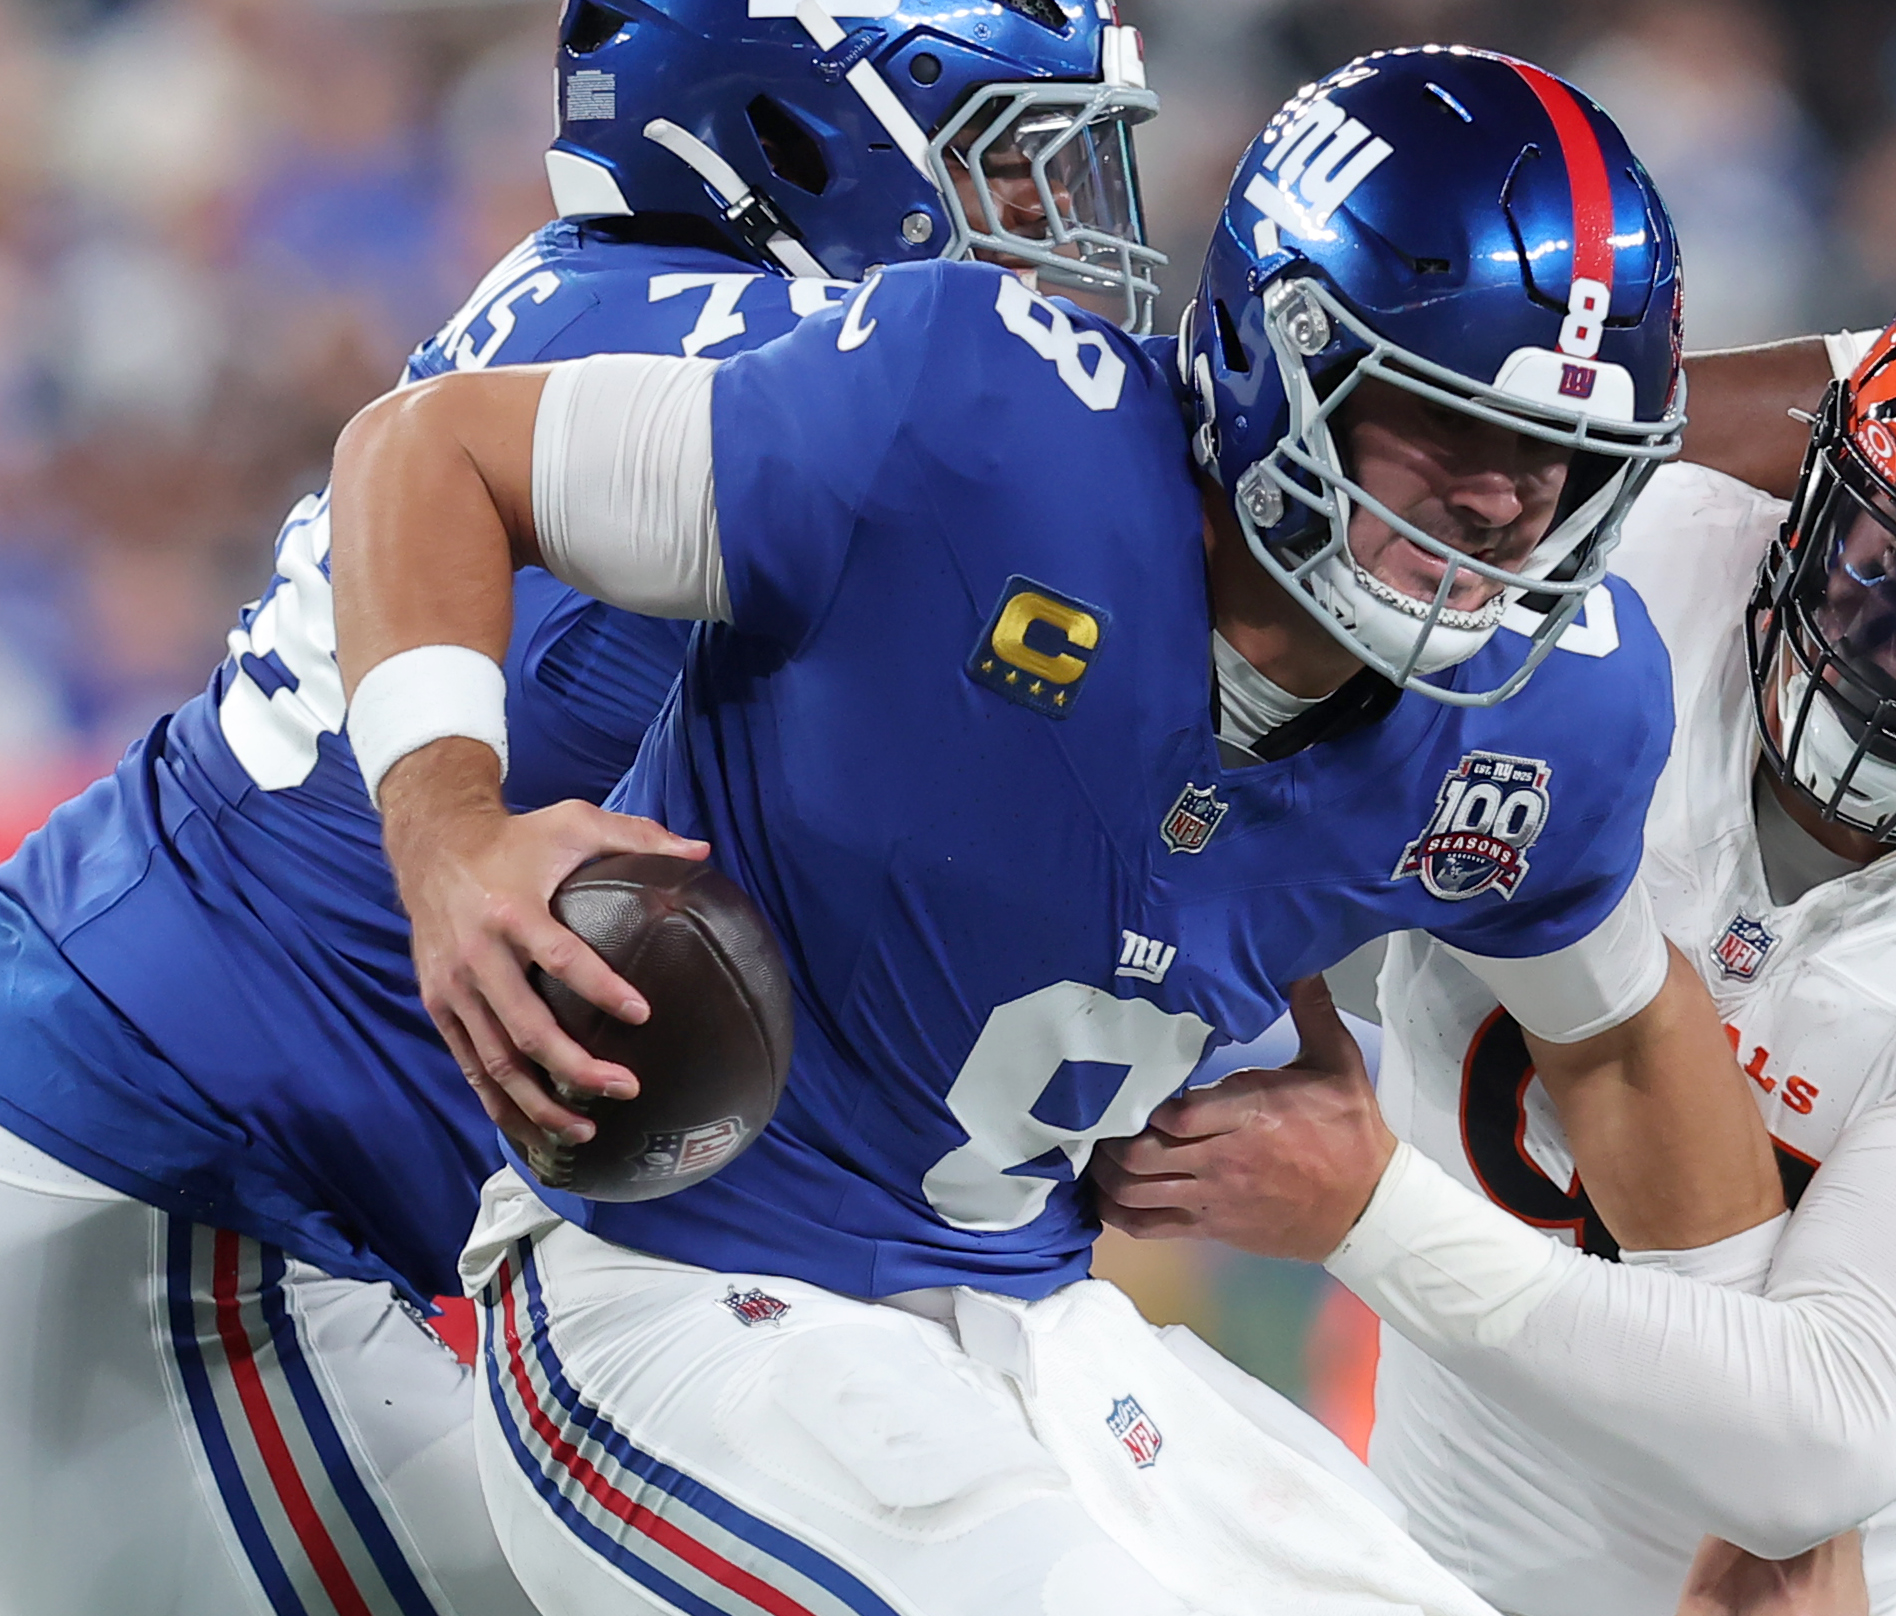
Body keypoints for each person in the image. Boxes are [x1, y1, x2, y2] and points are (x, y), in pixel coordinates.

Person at [328, 47, 1811, 1615]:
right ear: (1273, 352)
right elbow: (433, 451)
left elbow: (1632, 1046)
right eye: (1445, 434)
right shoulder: (967, 428)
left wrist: (1778, 1502)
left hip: (1034, 1329)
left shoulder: (1556, 713)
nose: (1508, 511)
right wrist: (443, 830)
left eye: (1561, 464)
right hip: (683, 1294)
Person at [0, 5, 1160, 1611]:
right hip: (184, 1174)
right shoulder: (775, 371)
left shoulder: (617, 299)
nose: (1055, 225)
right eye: (1013, 167)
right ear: (803, 132)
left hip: (191, 1121)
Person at [1092, 232, 1896, 1616]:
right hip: (1436, 1555)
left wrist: (1365, 1209)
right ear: (1814, 492)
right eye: (1889, 572)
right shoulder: (1639, 569)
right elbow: (1422, 417)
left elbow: (1815, 1444)